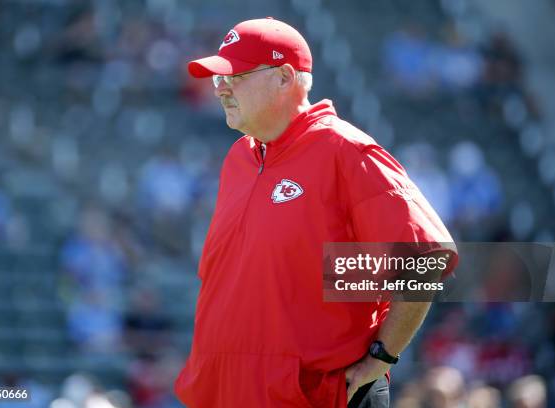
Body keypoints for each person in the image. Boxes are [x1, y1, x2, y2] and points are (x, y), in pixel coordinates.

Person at [175, 17, 457, 407]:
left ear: (284, 77)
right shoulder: (240, 156)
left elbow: (422, 260)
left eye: (233, 75)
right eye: (216, 79)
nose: (221, 88)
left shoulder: (345, 150)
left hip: (316, 397)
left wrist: (382, 356)